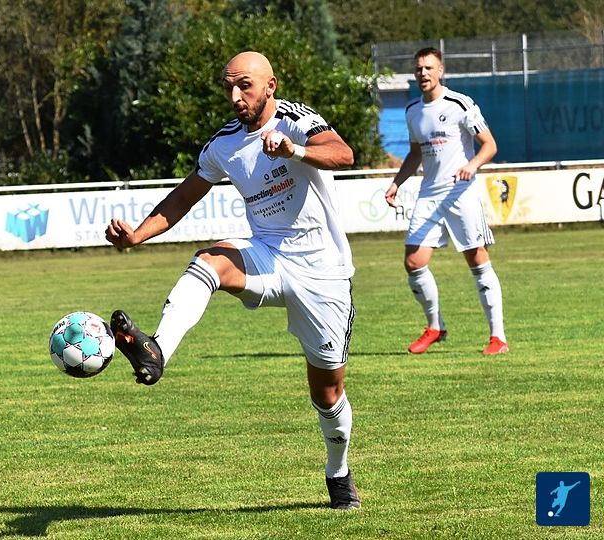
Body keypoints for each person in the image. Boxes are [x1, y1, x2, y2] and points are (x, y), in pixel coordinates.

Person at [105, 51, 360, 510]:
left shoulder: (296, 119)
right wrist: (137, 235)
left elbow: (343, 154)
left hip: (323, 271)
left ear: (270, 85)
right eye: (228, 87)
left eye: (245, 85)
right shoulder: (223, 144)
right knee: (210, 261)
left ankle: (338, 471)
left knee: (328, 394)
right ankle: (157, 349)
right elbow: (184, 196)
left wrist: (294, 150)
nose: (235, 96)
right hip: (268, 255)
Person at [384, 47, 507, 356]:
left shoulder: (459, 104)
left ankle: (498, 338)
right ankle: (435, 326)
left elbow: (489, 145)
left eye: (429, 67)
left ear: (440, 71)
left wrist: (472, 165)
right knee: (414, 262)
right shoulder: (412, 110)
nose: (423, 73)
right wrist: (397, 183)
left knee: (477, 259)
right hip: (429, 194)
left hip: (459, 193)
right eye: (419, 68)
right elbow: (415, 154)